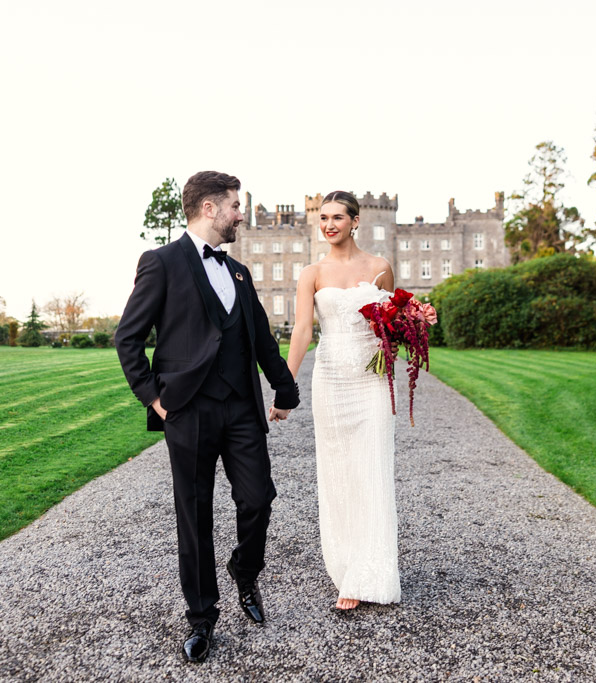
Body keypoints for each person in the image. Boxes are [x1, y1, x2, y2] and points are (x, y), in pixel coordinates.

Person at [115, 171, 299, 663]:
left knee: (258, 499)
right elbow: (127, 338)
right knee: (194, 517)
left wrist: (284, 385)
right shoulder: (161, 263)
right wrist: (153, 396)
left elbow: (260, 337)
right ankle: (202, 618)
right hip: (188, 410)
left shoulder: (239, 271)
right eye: (235, 205)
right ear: (210, 208)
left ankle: (245, 570)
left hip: (240, 407)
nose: (241, 213)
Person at [286, 190, 435, 610]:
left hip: (372, 383)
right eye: (323, 217)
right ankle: (347, 566)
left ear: (355, 221)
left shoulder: (379, 268)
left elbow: (393, 324)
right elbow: (302, 332)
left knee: (371, 469)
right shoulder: (310, 273)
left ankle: (372, 572)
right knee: (338, 473)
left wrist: (416, 323)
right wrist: (286, 385)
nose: (329, 224)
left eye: (337, 217)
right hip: (331, 379)